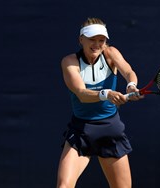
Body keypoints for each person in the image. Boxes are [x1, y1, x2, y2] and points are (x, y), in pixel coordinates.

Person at [56, 17, 142, 188]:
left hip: (110, 128)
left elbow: (128, 71)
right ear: (81, 40)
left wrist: (131, 85)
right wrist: (106, 94)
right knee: (63, 186)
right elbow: (81, 93)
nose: (97, 44)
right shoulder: (70, 62)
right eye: (92, 39)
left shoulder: (111, 54)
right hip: (82, 130)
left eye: (101, 40)